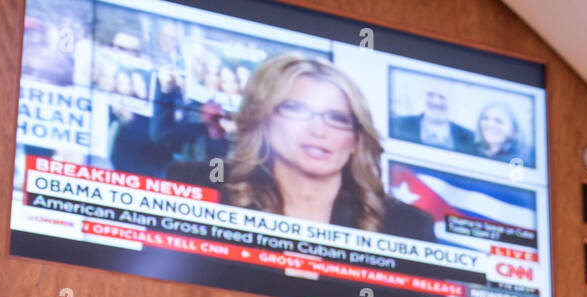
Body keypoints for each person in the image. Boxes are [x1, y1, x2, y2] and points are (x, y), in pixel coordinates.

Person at [166, 52, 435, 241]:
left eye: (337, 118)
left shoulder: (407, 226)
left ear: (355, 139)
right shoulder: (198, 185)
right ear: (265, 118)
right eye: (296, 110)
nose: (318, 130)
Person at [389, 78, 475, 152]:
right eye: (430, 95)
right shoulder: (399, 124)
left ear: (452, 102)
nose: (436, 102)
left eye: (442, 97)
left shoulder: (469, 138)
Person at [471, 101, 533, 166]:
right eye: (486, 118)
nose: (490, 124)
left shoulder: (522, 161)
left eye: (498, 121)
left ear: (514, 131)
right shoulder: (474, 150)